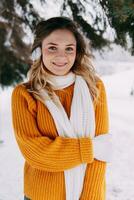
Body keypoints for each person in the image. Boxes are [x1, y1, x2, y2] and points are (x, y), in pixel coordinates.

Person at [11, 16, 112, 200]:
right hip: (39, 196)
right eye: (52, 48)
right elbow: (36, 153)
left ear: (77, 52)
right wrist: (88, 149)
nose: (61, 56)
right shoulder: (25, 94)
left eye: (69, 49)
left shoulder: (94, 88)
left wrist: (90, 197)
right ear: (40, 50)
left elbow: (102, 150)